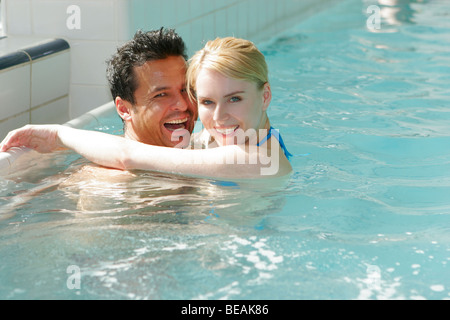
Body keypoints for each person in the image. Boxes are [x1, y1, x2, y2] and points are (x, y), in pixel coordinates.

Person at [0, 37, 292, 179]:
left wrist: (58, 134)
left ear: (265, 96)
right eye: (206, 101)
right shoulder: (232, 136)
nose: (218, 117)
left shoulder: (256, 159)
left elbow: (128, 156)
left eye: (235, 98)